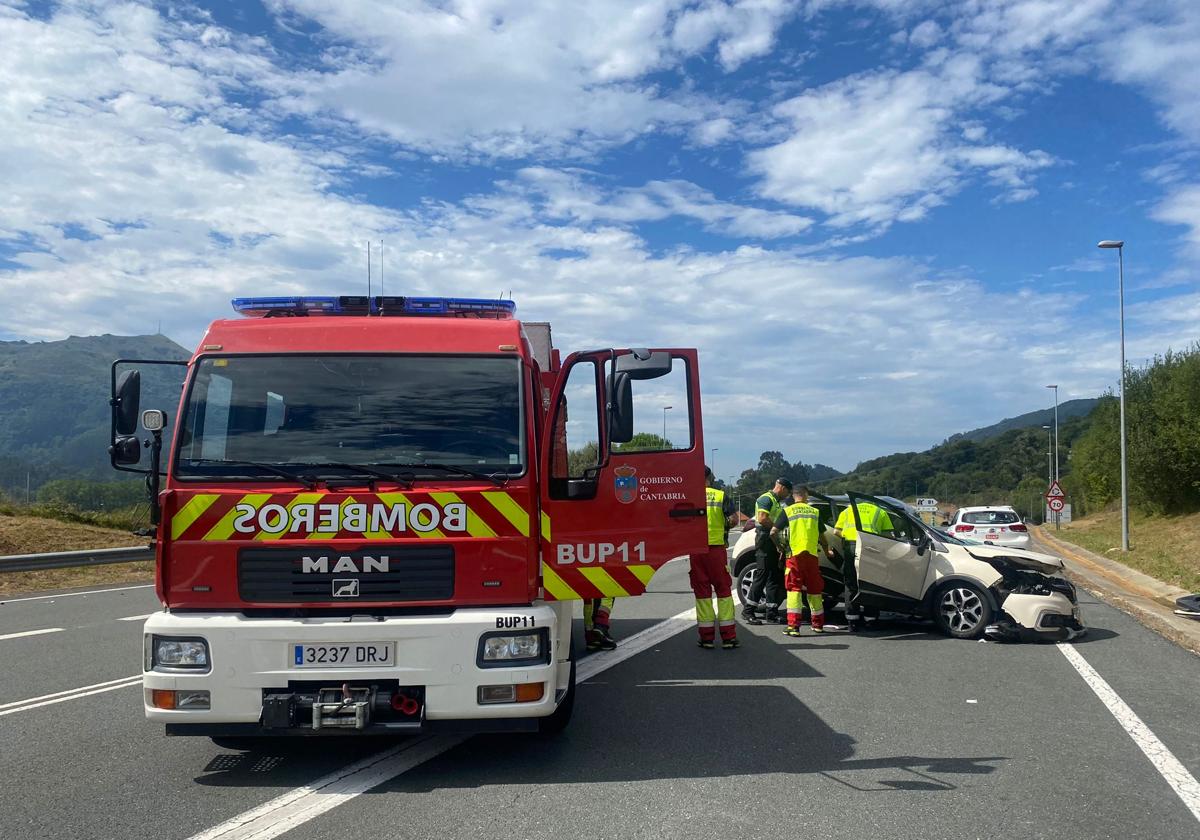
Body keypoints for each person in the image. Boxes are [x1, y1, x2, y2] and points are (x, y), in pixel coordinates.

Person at [691, 467, 739, 649]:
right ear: (710, 478)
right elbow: (734, 520)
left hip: (696, 550)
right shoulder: (720, 496)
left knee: (702, 592)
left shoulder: (690, 496)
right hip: (716, 549)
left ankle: (706, 638)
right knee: (723, 590)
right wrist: (724, 525)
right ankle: (728, 637)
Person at [773, 485, 830, 636]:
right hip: (812, 555)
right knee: (815, 589)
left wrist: (779, 546)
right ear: (805, 495)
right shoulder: (815, 512)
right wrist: (827, 550)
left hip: (794, 555)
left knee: (794, 589)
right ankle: (818, 624)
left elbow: (773, 532)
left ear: (793, 496)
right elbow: (822, 536)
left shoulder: (788, 511)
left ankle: (793, 626)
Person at [834, 498, 893, 630]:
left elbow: (835, 531)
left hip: (851, 547)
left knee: (851, 584)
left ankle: (852, 620)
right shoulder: (880, 511)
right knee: (871, 584)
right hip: (872, 549)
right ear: (871, 502)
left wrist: (847, 538)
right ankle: (870, 619)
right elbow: (887, 535)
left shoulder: (848, 510)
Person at [743, 477, 791, 625]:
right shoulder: (766, 498)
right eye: (787, 492)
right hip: (764, 541)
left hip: (773, 541)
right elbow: (763, 518)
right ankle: (748, 611)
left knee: (774, 577)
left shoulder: (776, 501)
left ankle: (772, 612)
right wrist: (776, 528)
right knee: (762, 575)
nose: (787, 496)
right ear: (782, 487)